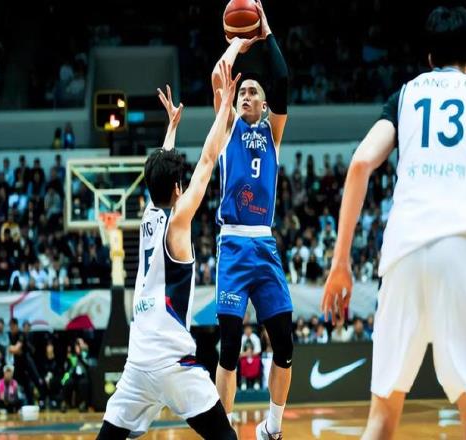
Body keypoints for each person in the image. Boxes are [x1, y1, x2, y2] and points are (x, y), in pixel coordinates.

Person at [321, 7, 466, 439]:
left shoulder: (406, 95)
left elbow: (360, 163)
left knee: (381, 420)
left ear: (429, 58)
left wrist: (340, 263)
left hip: (400, 254)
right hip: (457, 247)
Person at [97, 61, 240, 440]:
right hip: (173, 363)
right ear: (178, 189)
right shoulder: (177, 222)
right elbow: (208, 160)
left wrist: (172, 127)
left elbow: (160, 171)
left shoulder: (148, 215)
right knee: (225, 437)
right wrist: (225, 108)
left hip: (138, 364)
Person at [211, 2, 292, 438]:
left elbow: (282, 79)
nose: (245, 95)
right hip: (233, 244)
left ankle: (272, 429)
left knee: (285, 344)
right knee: (229, 347)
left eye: (252, 92)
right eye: (242, 91)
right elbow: (219, 78)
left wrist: (266, 33)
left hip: (264, 244)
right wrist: (238, 43)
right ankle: (224, 433)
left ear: (264, 102)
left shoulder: (273, 134)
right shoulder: (227, 129)